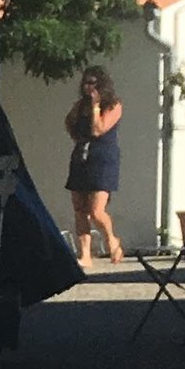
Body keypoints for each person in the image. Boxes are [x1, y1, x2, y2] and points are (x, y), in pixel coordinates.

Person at [65, 67, 128, 266]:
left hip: (103, 160)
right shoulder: (79, 106)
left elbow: (98, 129)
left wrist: (95, 106)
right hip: (82, 157)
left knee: (96, 210)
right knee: (79, 209)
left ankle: (112, 240)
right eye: (85, 82)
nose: (88, 87)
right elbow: (70, 123)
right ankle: (85, 254)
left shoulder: (113, 105)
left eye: (92, 83)